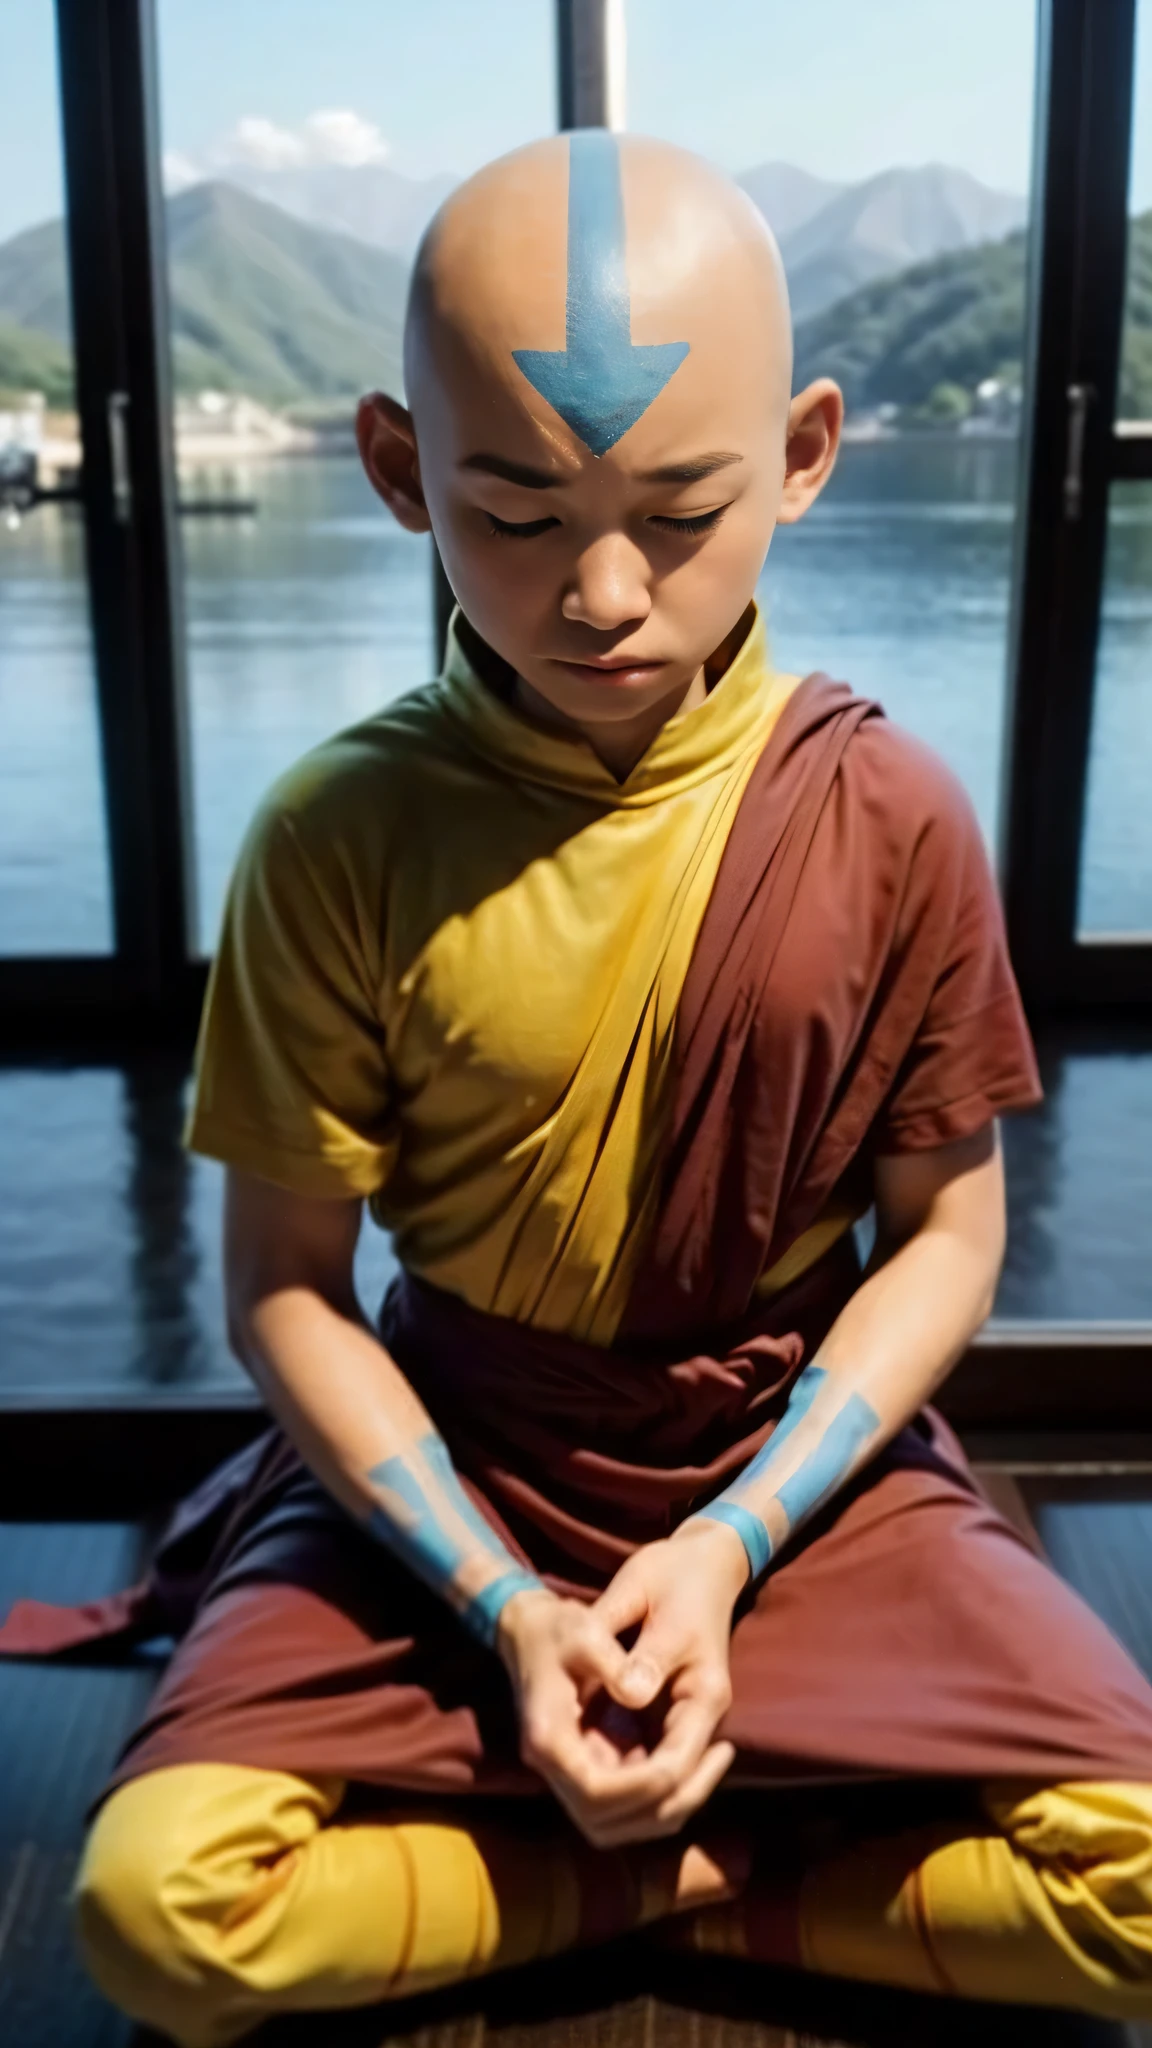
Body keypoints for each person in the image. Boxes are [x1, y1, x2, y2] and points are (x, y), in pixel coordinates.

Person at [5, 131, 1152, 2045]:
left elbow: (951, 1233)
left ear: (801, 454)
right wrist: (509, 1608)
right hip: (459, 1463)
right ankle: (748, 1877)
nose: (604, 594)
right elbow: (287, 1283)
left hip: (788, 1466)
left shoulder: (885, 816)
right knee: (163, 1914)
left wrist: (726, 1546)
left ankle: (563, 1886)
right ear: (397, 472)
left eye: (681, 511)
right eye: (517, 517)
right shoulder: (337, 837)